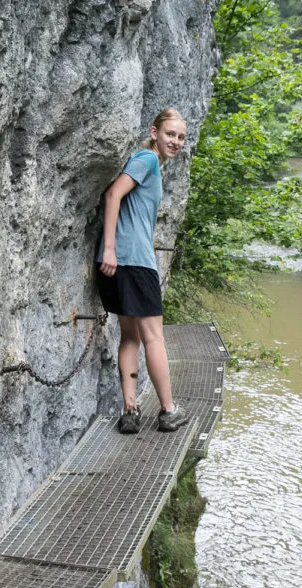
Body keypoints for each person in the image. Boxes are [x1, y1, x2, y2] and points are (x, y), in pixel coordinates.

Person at [96, 108, 188, 434]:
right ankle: (168, 410)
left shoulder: (151, 165)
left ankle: (130, 411)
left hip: (121, 263)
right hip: (134, 262)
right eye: (170, 134)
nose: (176, 141)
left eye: (181, 137)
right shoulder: (147, 159)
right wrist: (110, 248)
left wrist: (110, 252)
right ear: (154, 133)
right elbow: (113, 194)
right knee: (154, 337)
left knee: (131, 336)